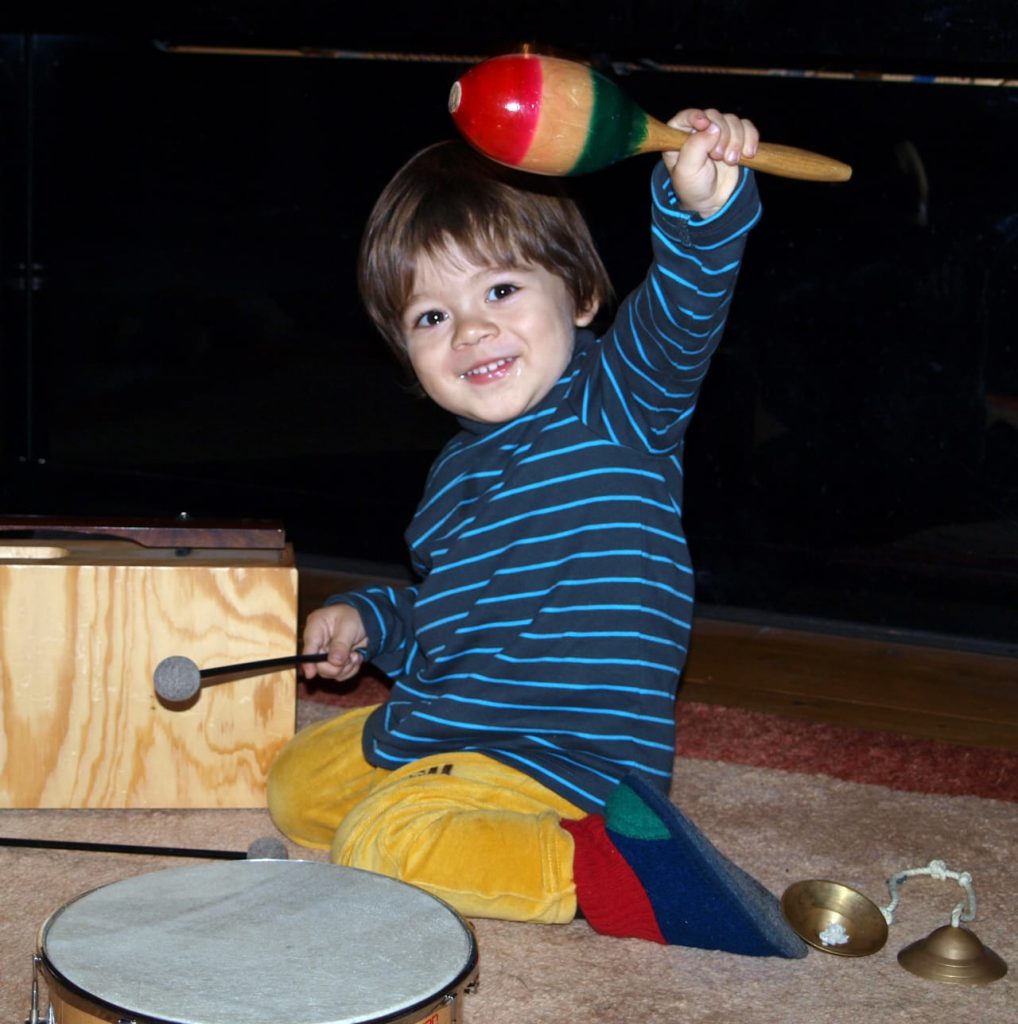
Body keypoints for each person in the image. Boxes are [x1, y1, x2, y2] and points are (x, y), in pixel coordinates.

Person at [268, 106, 806, 958]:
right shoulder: (449, 480)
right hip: (467, 724)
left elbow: (684, 307)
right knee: (298, 785)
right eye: (431, 318)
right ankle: (454, 802)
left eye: (501, 290)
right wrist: (373, 621)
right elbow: (450, 619)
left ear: (584, 296)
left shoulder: (619, 404)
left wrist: (700, 211)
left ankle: (616, 867)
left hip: (571, 755)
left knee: (380, 842)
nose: (472, 329)